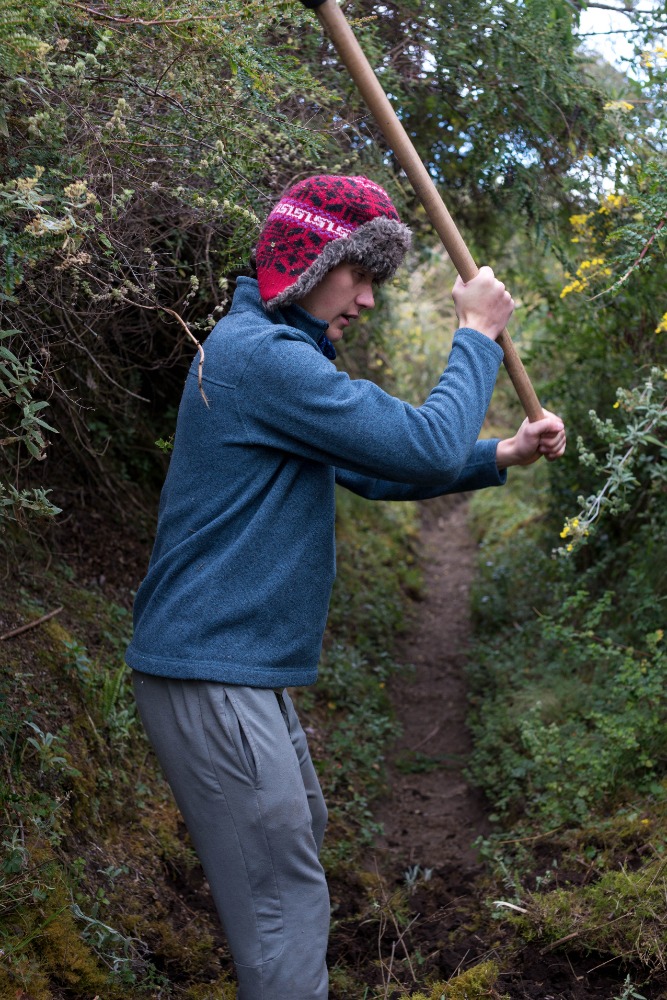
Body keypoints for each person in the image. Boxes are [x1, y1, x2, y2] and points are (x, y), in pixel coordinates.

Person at [126, 174, 566, 999]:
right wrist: (475, 335)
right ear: (305, 263)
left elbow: (376, 469)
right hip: (211, 668)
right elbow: (422, 445)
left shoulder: (269, 354)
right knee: (280, 900)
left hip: (231, 667)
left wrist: (499, 454)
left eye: (374, 281)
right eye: (357, 275)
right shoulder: (261, 357)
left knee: (298, 840)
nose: (366, 300)